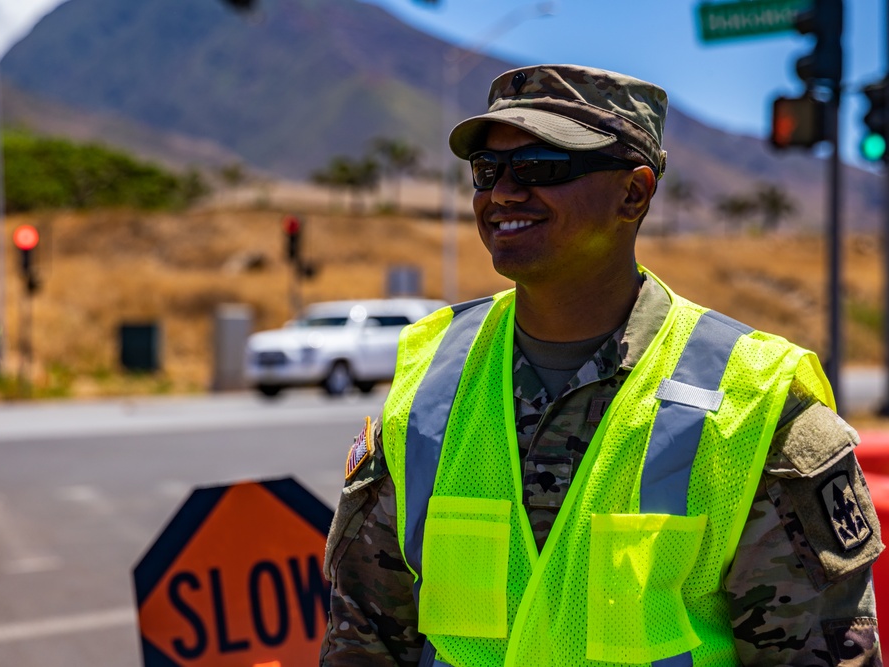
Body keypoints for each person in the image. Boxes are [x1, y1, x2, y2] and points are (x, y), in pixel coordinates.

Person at [318, 64, 883, 666]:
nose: (503, 193)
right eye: (488, 171)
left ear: (634, 193)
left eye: (541, 168)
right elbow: (367, 637)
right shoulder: (427, 378)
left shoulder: (756, 401)